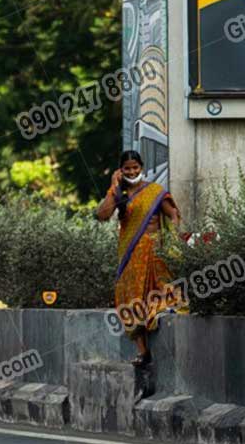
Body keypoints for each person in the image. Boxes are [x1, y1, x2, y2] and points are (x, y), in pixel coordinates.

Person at [96, 150, 181, 366]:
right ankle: (143, 352)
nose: (132, 171)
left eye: (135, 167)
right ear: (121, 170)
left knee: (162, 291)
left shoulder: (154, 192)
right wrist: (113, 186)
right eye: (127, 168)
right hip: (130, 255)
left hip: (154, 253)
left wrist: (172, 237)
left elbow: (173, 214)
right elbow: (102, 215)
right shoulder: (119, 194)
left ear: (141, 168)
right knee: (128, 298)